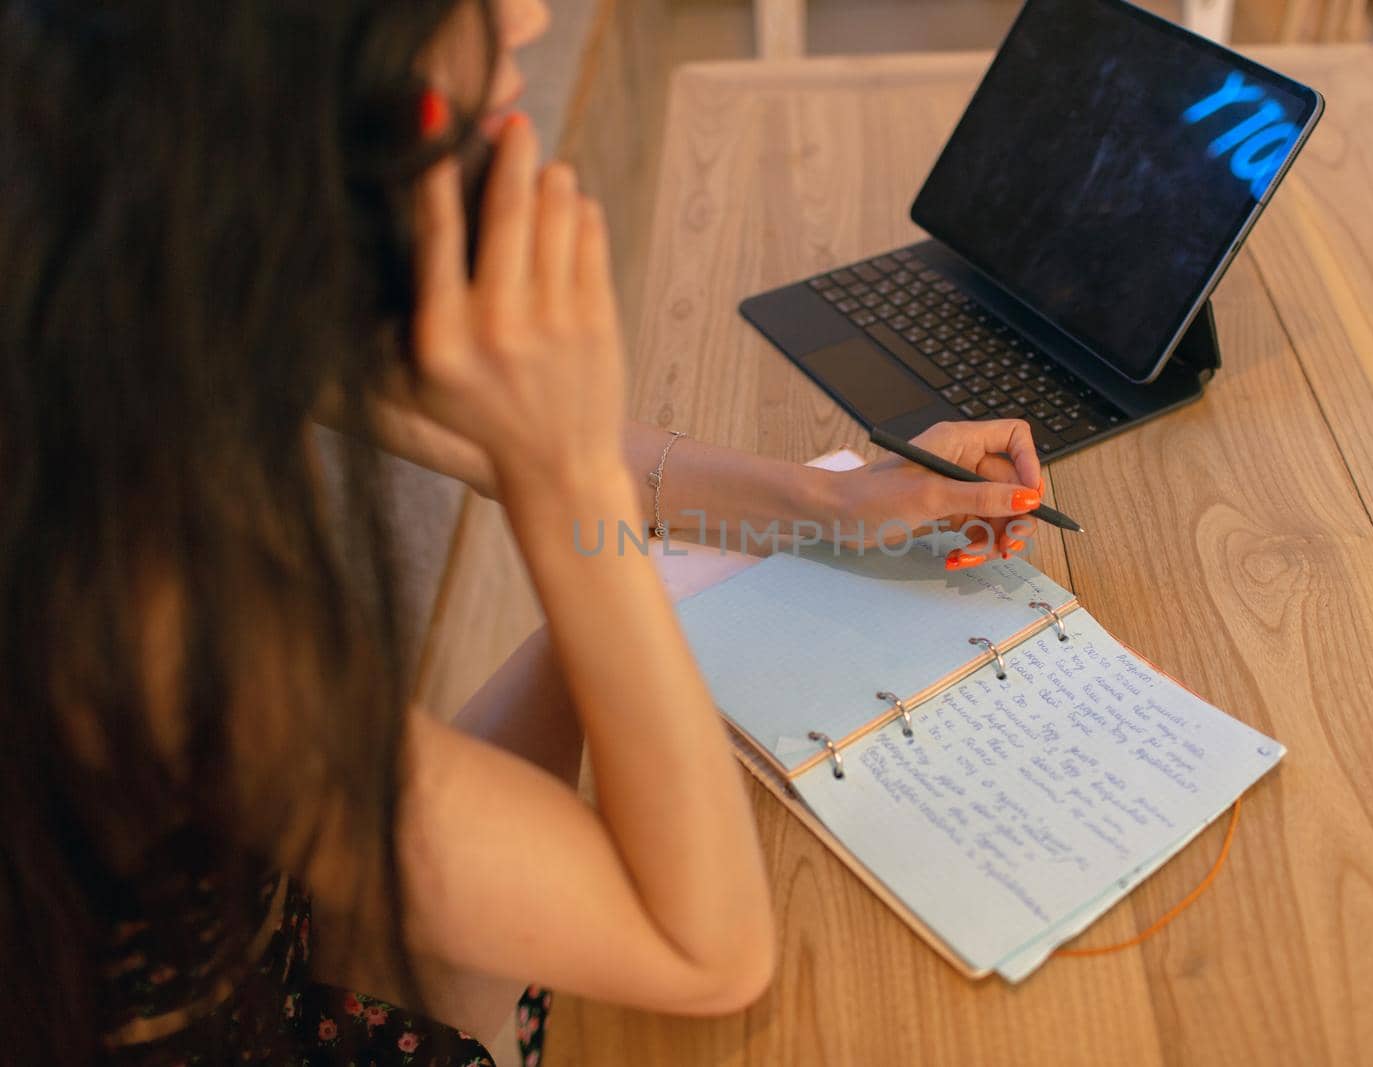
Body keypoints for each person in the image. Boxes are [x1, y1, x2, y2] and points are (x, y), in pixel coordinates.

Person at [0, 0, 1045, 1063]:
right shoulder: (128, 600)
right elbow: (709, 952)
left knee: (635, 622)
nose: (528, 15)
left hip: (271, 912)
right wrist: (566, 478)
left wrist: (831, 503)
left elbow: (503, 425)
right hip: (227, 1003)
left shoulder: (140, 273)